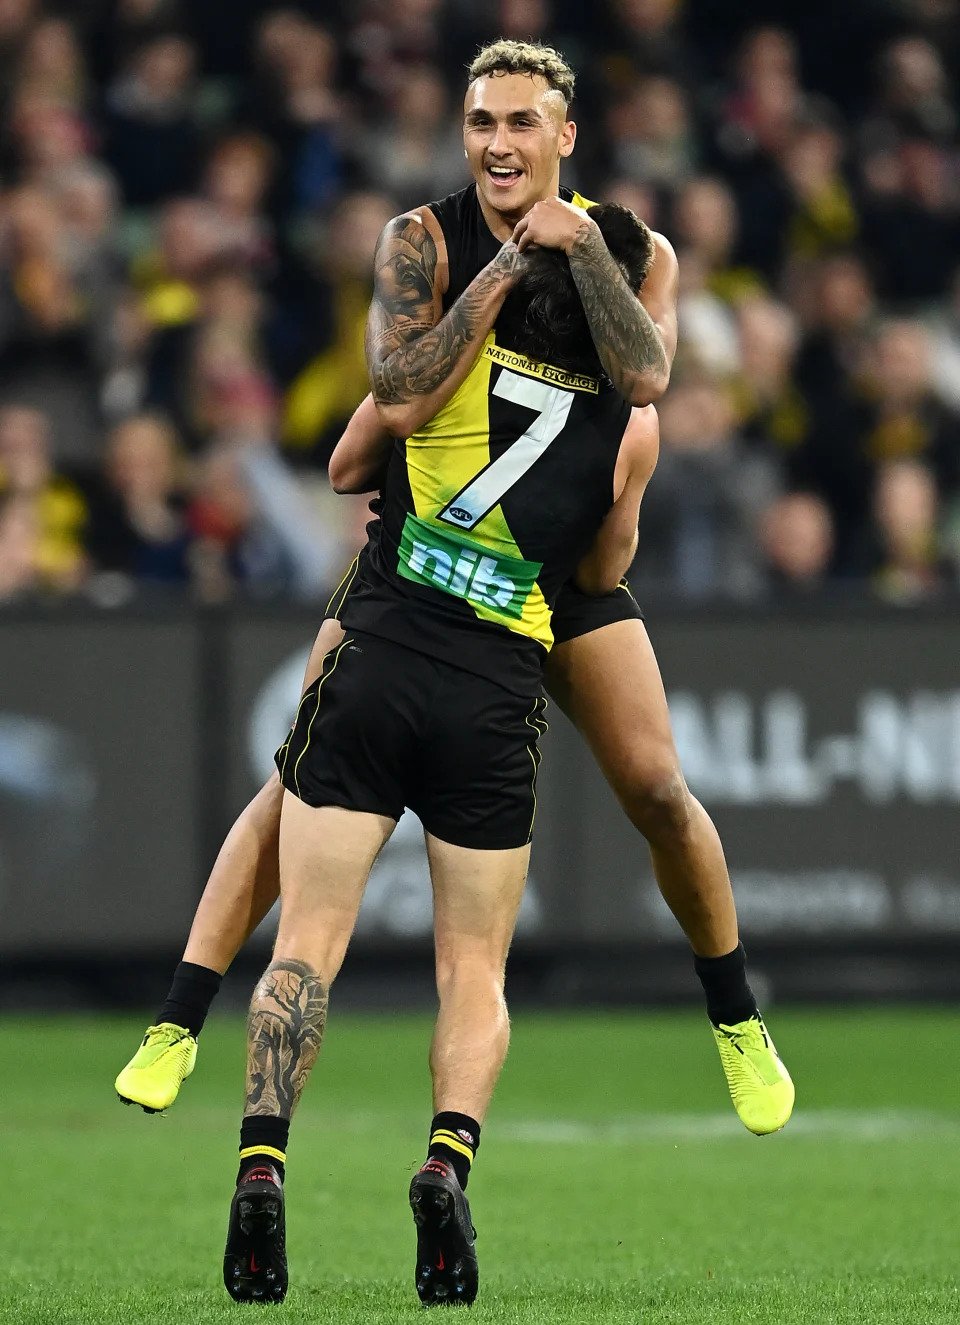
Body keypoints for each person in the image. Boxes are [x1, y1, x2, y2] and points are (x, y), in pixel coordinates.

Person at [115, 37, 793, 1304]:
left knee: (656, 785)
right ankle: (176, 1016)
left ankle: (738, 1018)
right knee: (299, 781)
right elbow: (362, 435)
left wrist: (567, 250)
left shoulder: (632, 247)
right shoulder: (423, 242)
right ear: (464, 126)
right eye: (480, 118)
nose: (497, 140)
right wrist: (484, 300)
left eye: (521, 120)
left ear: (564, 134)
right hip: (431, 568)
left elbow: (644, 386)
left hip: (556, 578)